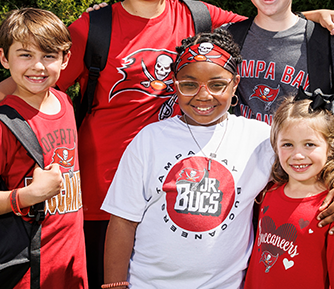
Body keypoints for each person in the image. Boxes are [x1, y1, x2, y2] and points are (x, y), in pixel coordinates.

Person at [0, 0, 334, 286]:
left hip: (190, 191)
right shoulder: (94, 28)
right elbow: (32, 80)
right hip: (100, 201)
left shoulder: (199, 19)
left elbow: (265, 18)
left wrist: (311, 18)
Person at [101, 31, 276, 288]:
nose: (203, 96)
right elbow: (123, 220)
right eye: (189, 85)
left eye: (217, 85)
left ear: (235, 83)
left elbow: (310, 168)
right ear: (175, 83)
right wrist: (114, 286)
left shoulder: (260, 139)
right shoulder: (150, 139)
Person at [0, 8, 85, 288]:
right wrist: (28, 195)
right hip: (26, 270)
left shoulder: (65, 103)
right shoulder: (0, 126)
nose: (38, 66)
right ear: (3, 58)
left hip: (70, 262)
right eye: (25, 55)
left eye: (49, 55)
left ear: (66, 58)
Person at [244, 94, 334, 289]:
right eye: (287, 144)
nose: (298, 155)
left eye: (310, 144)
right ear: (275, 144)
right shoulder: (266, 193)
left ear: (332, 145)